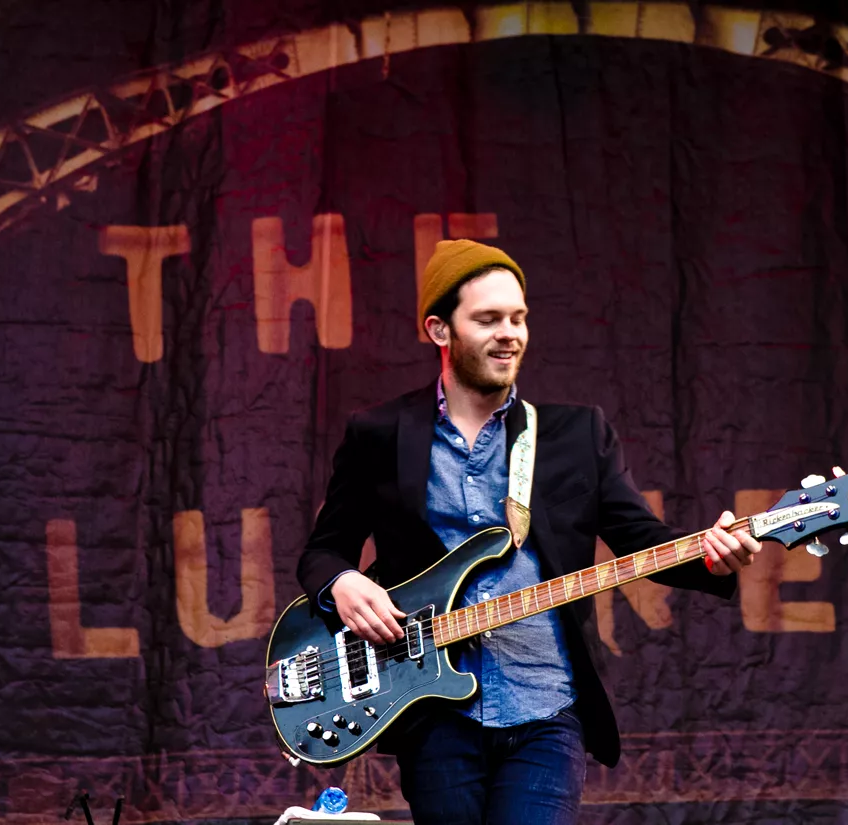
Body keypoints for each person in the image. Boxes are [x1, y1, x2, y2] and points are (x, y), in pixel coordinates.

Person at [296, 239, 762, 825]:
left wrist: (709, 558)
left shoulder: (576, 434)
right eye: (488, 319)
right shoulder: (379, 433)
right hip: (432, 709)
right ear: (440, 331)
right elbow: (324, 548)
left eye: (518, 318)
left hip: (545, 704)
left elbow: (639, 538)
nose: (510, 333)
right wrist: (340, 581)